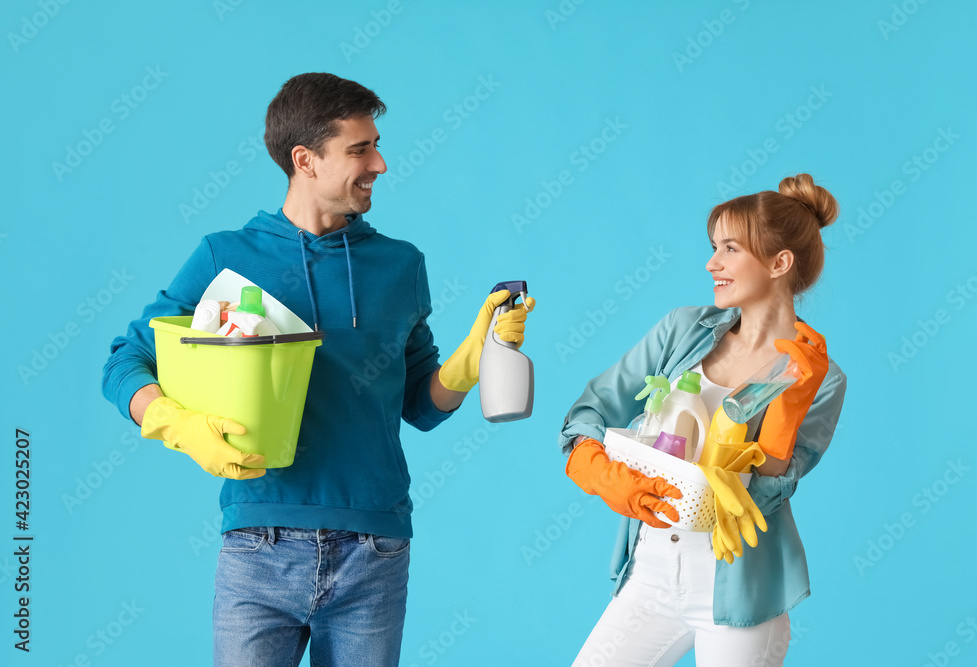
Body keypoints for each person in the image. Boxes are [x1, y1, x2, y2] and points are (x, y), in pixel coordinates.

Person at [101, 72, 534, 667]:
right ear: (305, 159)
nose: (379, 163)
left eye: (376, 145)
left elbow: (422, 406)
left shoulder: (400, 265)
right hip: (260, 543)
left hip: (374, 550)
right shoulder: (226, 258)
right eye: (360, 149)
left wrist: (475, 354)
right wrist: (176, 423)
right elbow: (126, 360)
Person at [560, 174, 847, 666]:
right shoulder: (682, 329)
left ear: (779, 263)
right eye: (714, 247)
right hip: (648, 572)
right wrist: (597, 468)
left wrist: (789, 405)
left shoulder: (822, 376)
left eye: (730, 249)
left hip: (739, 589)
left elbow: (759, 498)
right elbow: (591, 410)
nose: (711, 263)